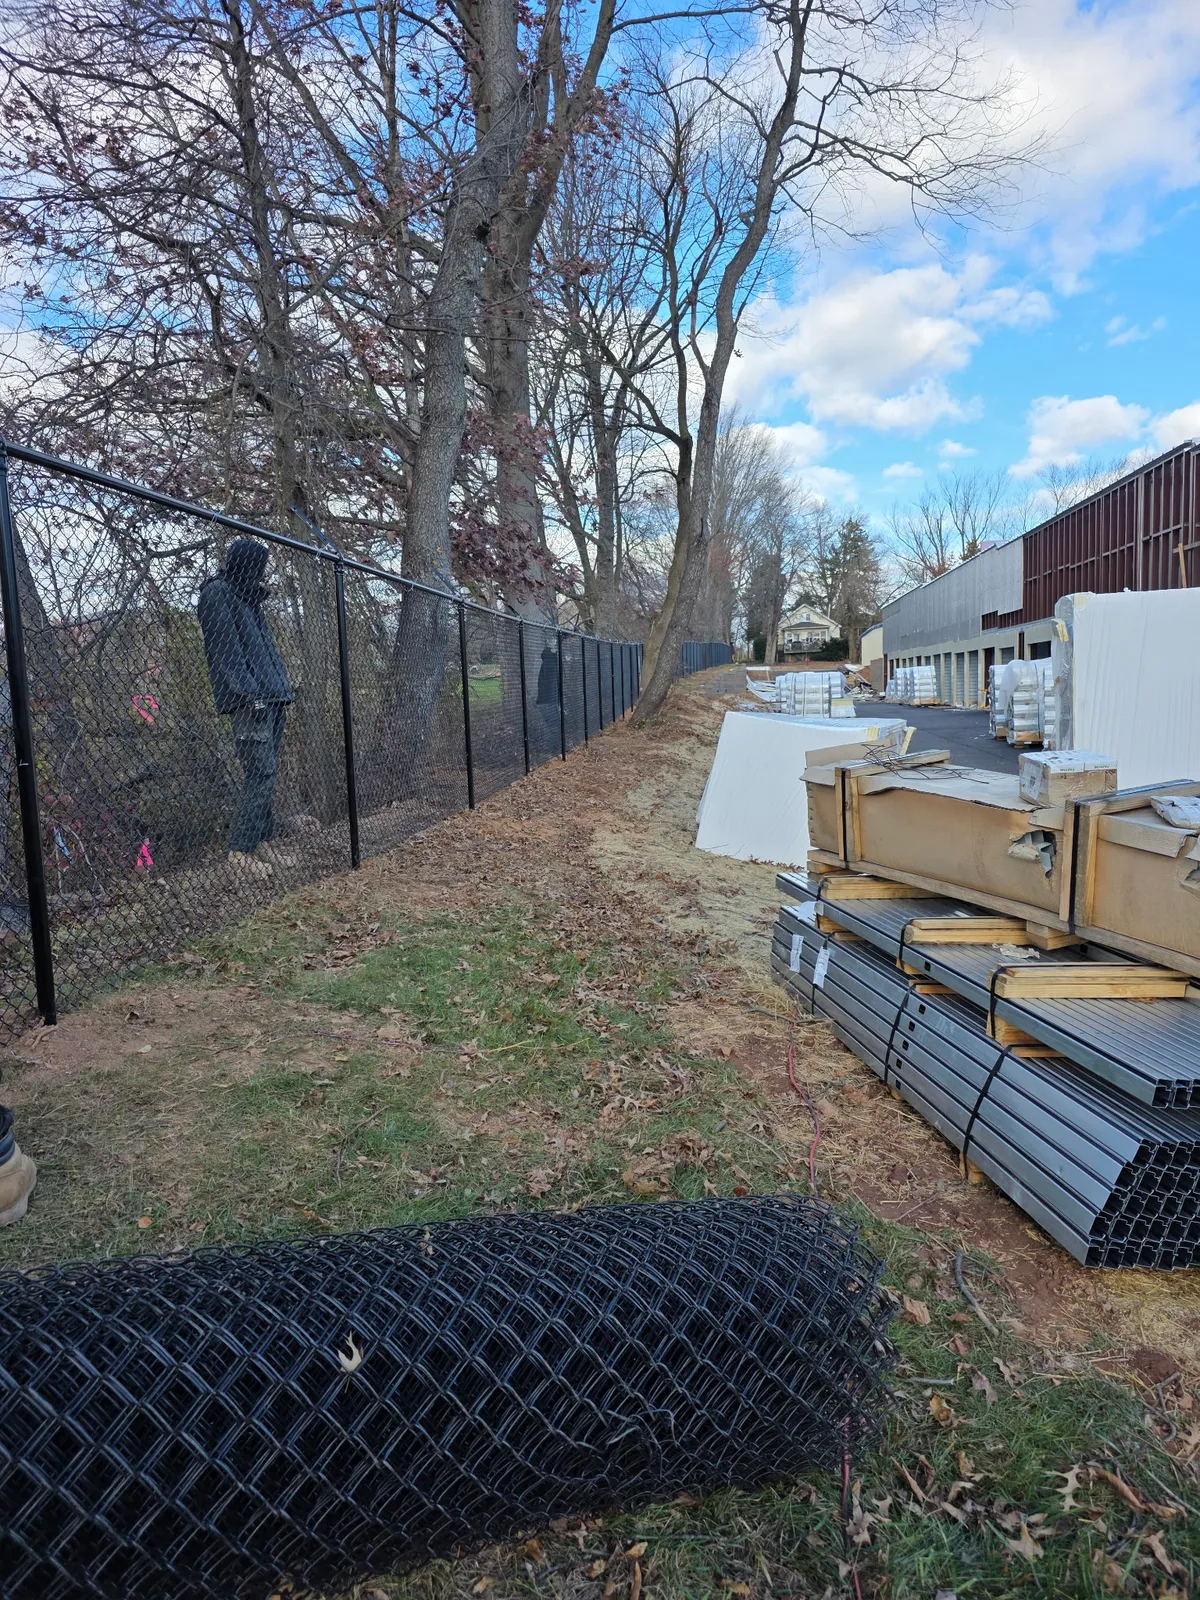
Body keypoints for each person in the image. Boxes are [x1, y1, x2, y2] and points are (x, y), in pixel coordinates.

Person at [197, 539, 294, 873]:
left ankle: (261, 843)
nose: (261, 573)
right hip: (250, 701)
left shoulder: (249, 597)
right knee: (259, 772)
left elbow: (262, 649)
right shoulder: (217, 594)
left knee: (268, 774)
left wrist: (281, 684)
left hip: (272, 696)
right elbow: (226, 653)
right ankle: (239, 852)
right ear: (242, 563)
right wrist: (250, 693)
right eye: (257, 566)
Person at [535, 642, 561, 753]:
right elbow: (553, 686)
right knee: (553, 726)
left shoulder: (545, 664)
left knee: (550, 726)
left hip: (544, 701)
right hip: (549, 701)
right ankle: (552, 751)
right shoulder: (551, 666)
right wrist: (557, 703)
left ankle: (549, 749)